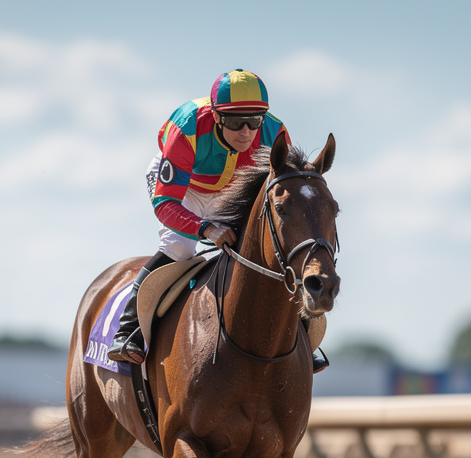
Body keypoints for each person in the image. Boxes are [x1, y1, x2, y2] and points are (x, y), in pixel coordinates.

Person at [107, 69, 328, 372]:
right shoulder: (186, 128)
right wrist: (206, 228)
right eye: (236, 122)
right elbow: (165, 203)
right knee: (179, 248)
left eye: (255, 121)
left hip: (234, 185)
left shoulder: (275, 133)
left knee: (267, 249)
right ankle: (129, 330)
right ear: (216, 116)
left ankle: (300, 333)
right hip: (185, 187)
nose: (247, 132)